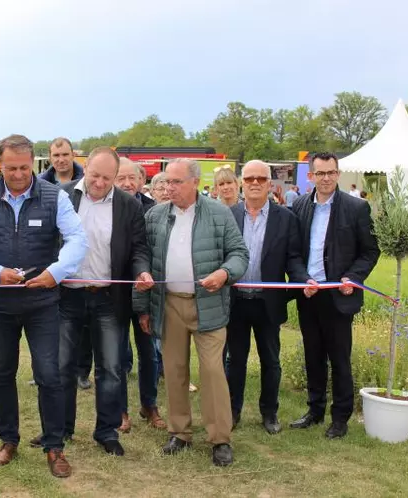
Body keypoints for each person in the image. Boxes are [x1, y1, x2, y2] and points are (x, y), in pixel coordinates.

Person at [0, 134, 87, 478]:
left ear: (34, 163)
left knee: (49, 374)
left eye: (24, 168)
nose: (17, 174)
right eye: (11, 167)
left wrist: (55, 273)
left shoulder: (55, 196)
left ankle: (54, 446)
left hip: (43, 303)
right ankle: (8, 440)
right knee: (2, 374)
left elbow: (77, 239)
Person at [28, 147, 152, 456]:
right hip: (66, 296)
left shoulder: (128, 206)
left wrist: (143, 271)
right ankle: (58, 429)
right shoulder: (62, 195)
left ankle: (106, 432)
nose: (99, 182)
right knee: (60, 367)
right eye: (95, 175)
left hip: (108, 298)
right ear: (87, 169)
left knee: (110, 368)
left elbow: (139, 248)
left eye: (106, 178)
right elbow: (45, 241)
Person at [133, 158, 249, 466]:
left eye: (176, 182)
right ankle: (179, 432)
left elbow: (239, 254)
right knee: (174, 371)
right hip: (169, 303)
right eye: (166, 182)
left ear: (195, 182)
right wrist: (143, 306)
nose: (169, 187)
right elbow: (141, 259)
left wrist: (224, 274)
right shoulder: (155, 215)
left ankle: (220, 439)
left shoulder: (220, 214)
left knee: (212, 372)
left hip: (208, 305)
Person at [291, 152, 380, 439]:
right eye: (320, 173)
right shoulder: (300, 206)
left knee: (339, 359)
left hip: (339, 297)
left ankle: (340, 418)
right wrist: (302, 278)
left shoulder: (356, 208)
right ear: (311, 176)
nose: (326, 178)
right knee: (313, 355)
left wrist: (353, 277)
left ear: (338, 174)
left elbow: (369, 251)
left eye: (331, 172)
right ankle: (314, 410)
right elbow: (292, 253)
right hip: (309, 294)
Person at [227, 160, 312, 434]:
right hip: (236, 302)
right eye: (249, 178)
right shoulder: (229, 215)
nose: (254, 183)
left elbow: (294, 260)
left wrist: (303, 281)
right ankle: (232, 410)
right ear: (242, 181)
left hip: (268, 304)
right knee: (234, 360)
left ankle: (269, 413)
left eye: (260, 179)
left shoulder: (286, 219)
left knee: (271, 361)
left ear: (270, 184)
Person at [113, 156, 159, 432]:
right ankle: (120, 411)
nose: (128, 183)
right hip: (116, 296)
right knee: (116, 356)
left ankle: (150, 405)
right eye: (122, 178)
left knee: (150, 355)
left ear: (142, 180)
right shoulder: (107, 209)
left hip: (148, 294)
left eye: (133, 178)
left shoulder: (155, 211)